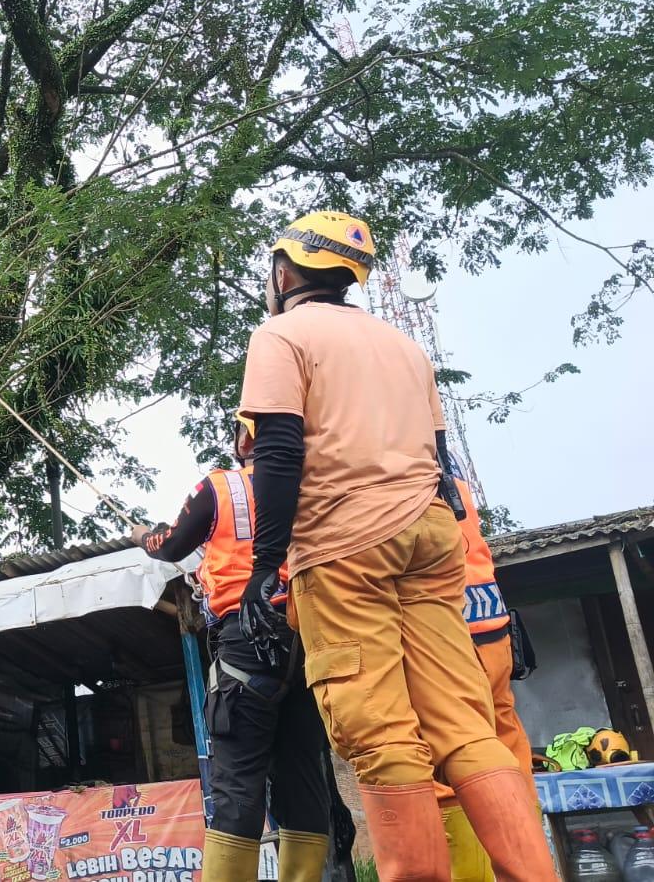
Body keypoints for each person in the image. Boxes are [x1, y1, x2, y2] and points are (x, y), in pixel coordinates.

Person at [235, 210, 554, 881]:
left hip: (345, 549)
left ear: (285, 272)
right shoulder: (403, 347)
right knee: (465, 724)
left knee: (379, 733)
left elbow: (281, 450)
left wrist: (265, 566)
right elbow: (438, 457)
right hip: (430, 539)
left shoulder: (280, 335)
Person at [131, 424, 331, 882]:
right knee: (303, 777)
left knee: (238, 782)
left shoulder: (222, 486)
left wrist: (143, 535)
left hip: (248, 639)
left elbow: (171, 544)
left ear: (243, 441)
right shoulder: (316, 485)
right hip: (311, 641)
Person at [439, 474, 539, 882]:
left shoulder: (387, 473)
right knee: (507, 748)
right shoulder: (450, 476)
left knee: (446, 760)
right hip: (490, 626)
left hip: (442, 632)